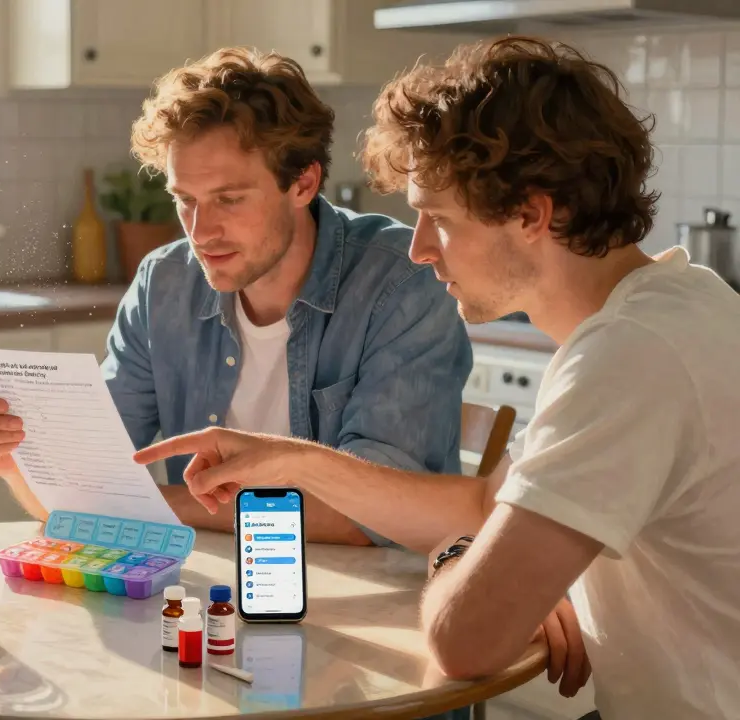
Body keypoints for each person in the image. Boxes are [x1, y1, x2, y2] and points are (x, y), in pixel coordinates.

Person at [133, 36, 740, 717]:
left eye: (439, 218)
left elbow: (465, 642)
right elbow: (484, 507)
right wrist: (292, 462)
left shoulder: (629, 356)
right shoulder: (669, 307)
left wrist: (456, 560)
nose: (419, 249)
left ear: (531, 214)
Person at [0, 47, 472, 547]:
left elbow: (377, 517)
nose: (201, 231)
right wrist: (18, 461)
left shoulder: (404, 280)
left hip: (375, 600)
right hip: (209, 593)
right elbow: (84, 491)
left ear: (304, 183)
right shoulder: (165, 283)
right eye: (186, 201)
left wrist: (153, 505)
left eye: (229, 199)